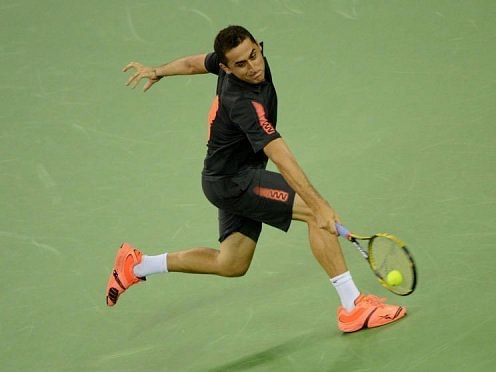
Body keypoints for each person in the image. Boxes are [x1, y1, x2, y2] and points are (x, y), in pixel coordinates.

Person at [106, 25, 406, 333]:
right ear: (226, 68)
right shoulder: (243, 103)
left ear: (258, 46)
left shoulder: (235, 62)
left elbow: (193, 64)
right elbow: (281, 156)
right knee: (315, 214)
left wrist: (158, 71)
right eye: (241, 64)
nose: (253, 67)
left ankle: (138, 265)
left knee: (232, 264)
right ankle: (352, 307)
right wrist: (320, 205)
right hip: (236, 181)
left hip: (221, 179)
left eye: (254, 55)